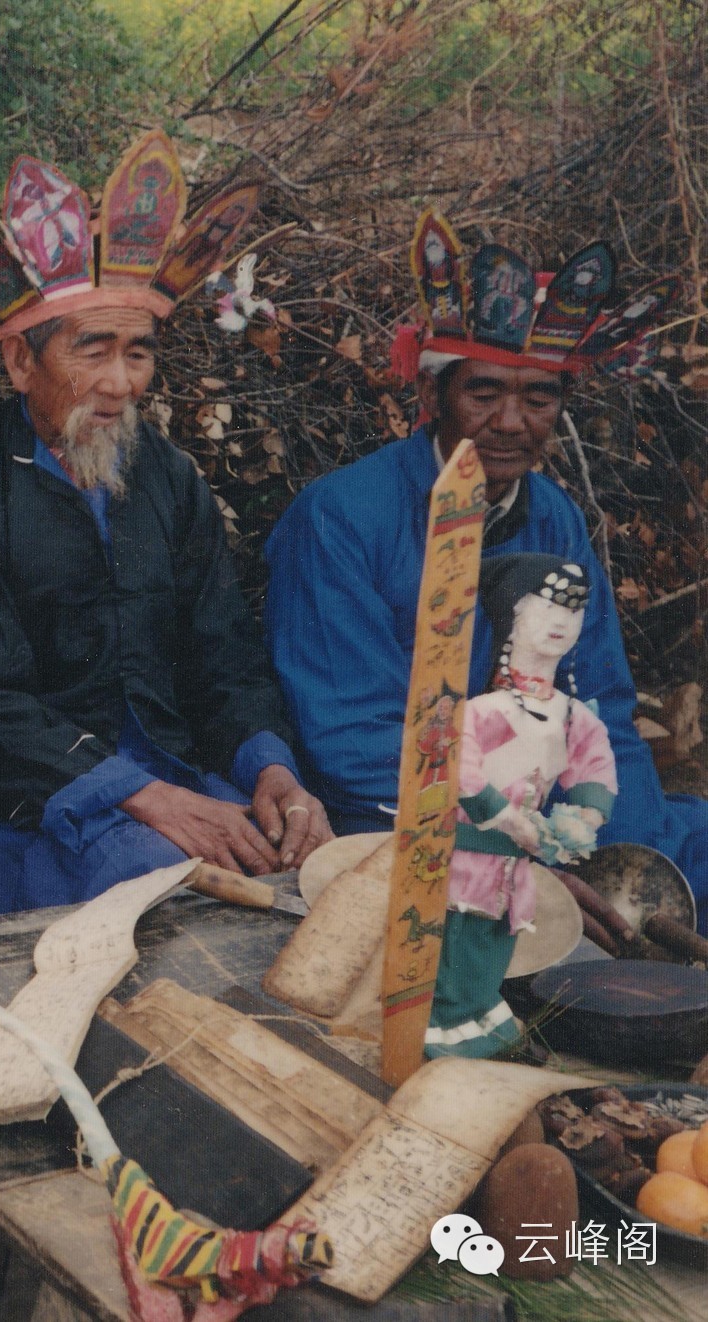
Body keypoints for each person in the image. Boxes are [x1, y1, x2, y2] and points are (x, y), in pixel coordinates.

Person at [0, 131, 332, 916]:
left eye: (139, 354)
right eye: (93, 352)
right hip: (5, 800)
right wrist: (144, 799)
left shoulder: (169, 479)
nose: (121, 385)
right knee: (164, 887)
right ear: (23, 365)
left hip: (162, 776)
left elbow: (223, 654)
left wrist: (272, 771)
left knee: (301, 859)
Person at [265, 207, 702, 942]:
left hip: (549, 813)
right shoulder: (340, 517)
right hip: (406, 815)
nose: (511, 422)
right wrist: (513, 850)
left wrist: (627, 851)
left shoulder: (553, 514)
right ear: (434, 397)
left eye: (539, 398)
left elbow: (597, 701)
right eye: (484, 393)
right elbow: (352, 739)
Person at [431, 555, 617, 1058]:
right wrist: (511, 819)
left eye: (573, 612)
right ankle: (448, 1028)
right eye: (545, 608)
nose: (561, 623)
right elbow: (459, 768)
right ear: (512, 615)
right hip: (468, 855)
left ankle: (482, 1012)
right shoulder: (485, 710)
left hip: (518, 861)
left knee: (496, 944)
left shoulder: (572, 715)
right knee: (459, 942)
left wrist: (584, 817)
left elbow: (594, 766)